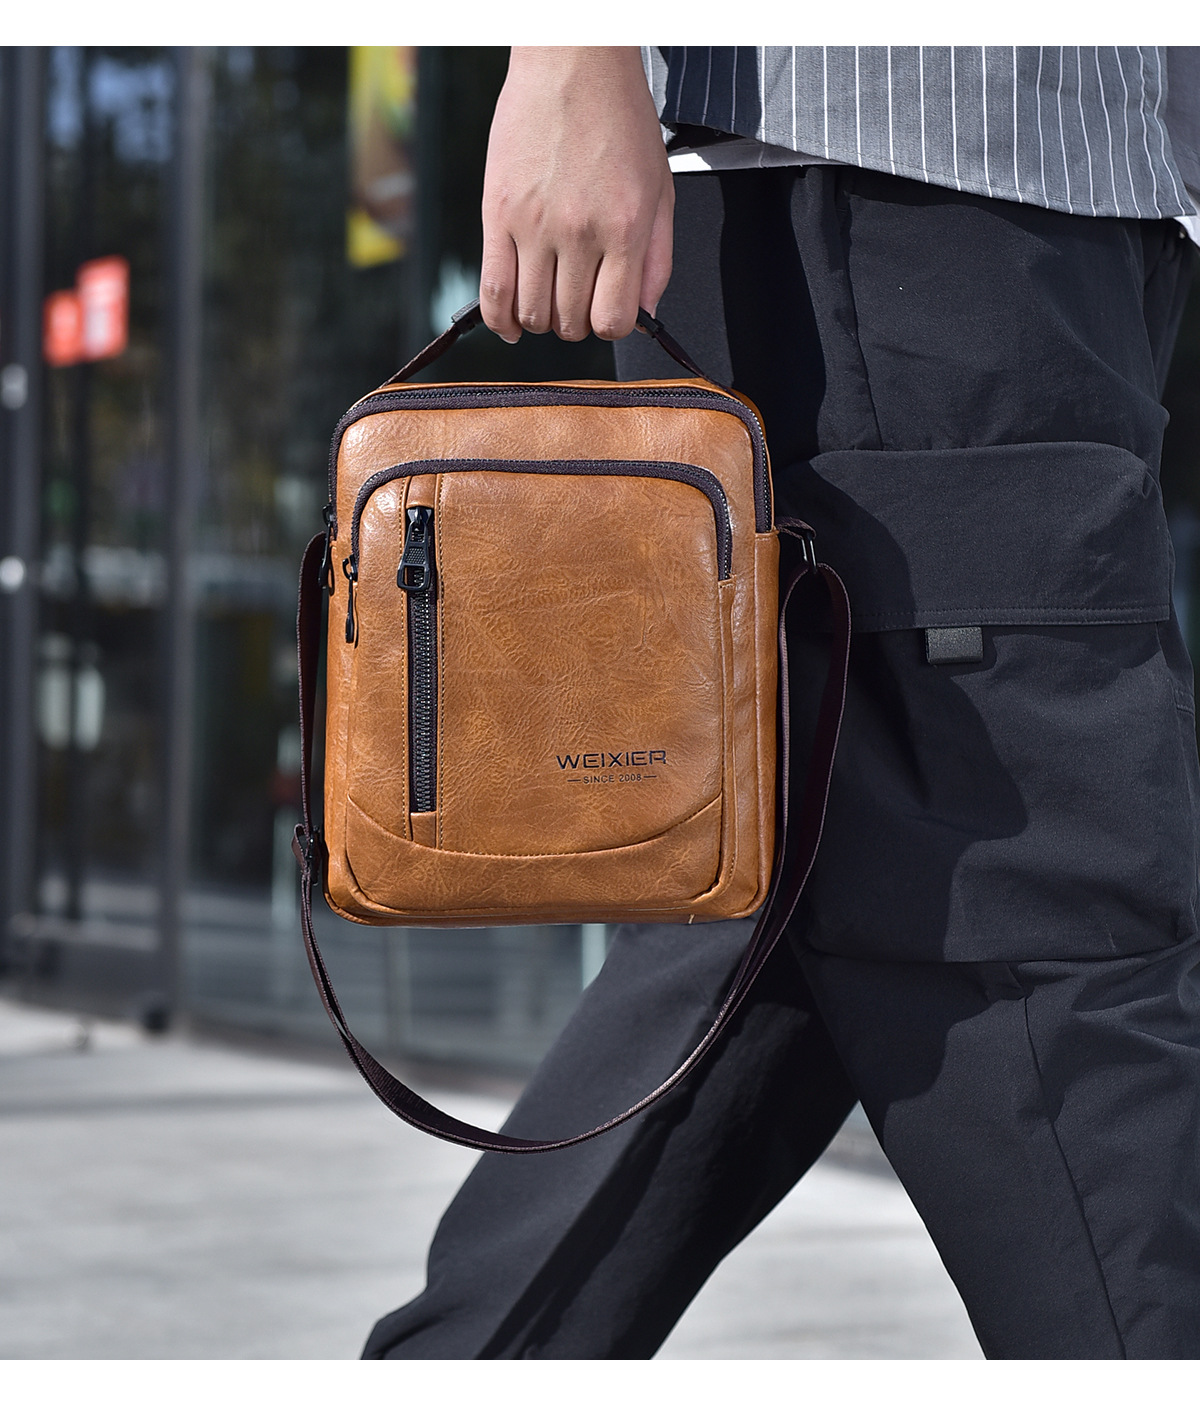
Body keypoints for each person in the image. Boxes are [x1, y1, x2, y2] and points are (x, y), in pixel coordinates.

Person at [363, 46, 1200, 1359]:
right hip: (887, 195)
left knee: (758, 893)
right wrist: (571, 51)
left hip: (1065, 211)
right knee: (1056, 956)